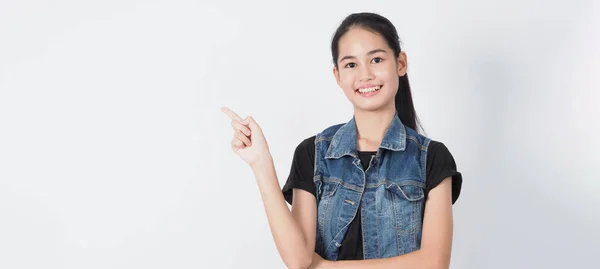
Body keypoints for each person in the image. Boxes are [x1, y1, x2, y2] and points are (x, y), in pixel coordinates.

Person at [222, 12, 462, 269]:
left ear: (400, 63)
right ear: (337, 75)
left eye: (377, 59)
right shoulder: (313, 154)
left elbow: (434, 263)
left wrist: (325, 266)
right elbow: (299, 259)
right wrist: (261, 164)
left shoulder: (431, 158)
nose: (365, 75)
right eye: (351, 65)